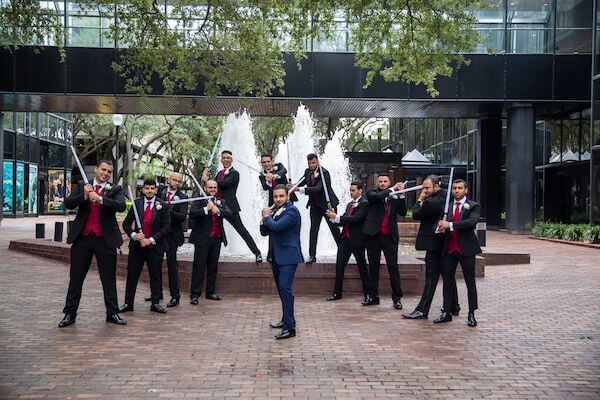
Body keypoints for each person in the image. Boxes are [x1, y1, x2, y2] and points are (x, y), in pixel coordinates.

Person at [58, 160, 127, 328]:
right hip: (83, 238)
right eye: (103, 170)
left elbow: (121, 206)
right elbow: (68, 203)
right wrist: (84, 195)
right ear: (96, 170)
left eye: (109, 172)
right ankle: (70, 314)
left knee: (108, 279)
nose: (105, 173)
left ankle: (112, 313)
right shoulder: (83, 185)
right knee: (76, 278)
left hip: (105, 240)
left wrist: (101, 199)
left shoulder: (115, 189)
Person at [402, 176, 459, 320]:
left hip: (433, 244)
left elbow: (415, 214)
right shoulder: (446, 196)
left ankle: (422, 310)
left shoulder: (430, 202)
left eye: (427, 188)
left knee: (431, 277)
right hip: (445, 243)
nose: (424, 190)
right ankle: (454, 306)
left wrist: (420, 199)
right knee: (448, 276)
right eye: (423, 188)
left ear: (436, 187)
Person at [119, 179, 171, 314]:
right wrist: (133, 235)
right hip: (137, 247)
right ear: (142, 190)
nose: (149, 191)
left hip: (154, 247)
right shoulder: (136, 204)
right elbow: (126, 224)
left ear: (156, 189)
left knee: (155, 276)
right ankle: (128, 303)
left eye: (152, 188)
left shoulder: (163, 205)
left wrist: (151, 240)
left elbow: (166, 227)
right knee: (132, 275)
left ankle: (155, 303)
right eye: (147, 188)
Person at [434, 179, 481, 327]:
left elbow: (471, 223)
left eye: (460, 188)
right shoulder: (447, 206)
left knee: (470, 283)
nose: (456, 190)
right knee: (447, 282)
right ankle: (446, 312)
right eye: (454, 188)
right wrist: (440, 227)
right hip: (449, 249)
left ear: (466, 190)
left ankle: (471, 314)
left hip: (466, 249)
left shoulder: (473, 206)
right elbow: (441, 223)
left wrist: (451, 225)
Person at [202, 150, 262, 262]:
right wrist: (205, 179)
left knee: (241, 230)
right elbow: (210, 188)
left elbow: (224, 184)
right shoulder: (219, 173)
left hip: (230, 208)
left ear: (231, 160)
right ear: (221, 160)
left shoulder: (235, 173)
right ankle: (208, 254)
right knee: (211, 228)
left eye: (228, 158)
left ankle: (257, 252)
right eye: (223, 158)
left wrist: (209, 181)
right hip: (216, 206)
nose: (225, 160)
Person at [260, 184, 304, 340]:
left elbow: (276, 227)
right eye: (275, 196)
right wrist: (264, 218)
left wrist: (267, 217)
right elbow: (265, 231)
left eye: (281, 196)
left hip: (288, 256)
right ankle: (287, 319)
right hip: (277, 256)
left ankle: (290, 328)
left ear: (288, 196)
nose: (278, 199)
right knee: (282, 291)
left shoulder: (292, 211)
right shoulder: (276, 211)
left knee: (286, 291)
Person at [362, 173, 407, 309]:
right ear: (377, 183)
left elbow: (403, 212)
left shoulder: (394, 196)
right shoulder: (372, 193)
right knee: (373, 268)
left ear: (389, 182)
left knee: (393, 267)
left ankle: (397, 298)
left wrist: (401, 195)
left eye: (385, 181)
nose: (382, 183)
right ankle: (373, 296)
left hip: (389, 237)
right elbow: (376, 198)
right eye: (380, 181)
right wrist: (392, 189)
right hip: (373, 236)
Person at [143, 172, 188, 307]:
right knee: (155, 264)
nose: (176, 182)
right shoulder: (160, 191)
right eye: (174, 179)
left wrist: (168, 210)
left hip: (173, 236)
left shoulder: (183, 197)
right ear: (169, 179)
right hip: (158, 234)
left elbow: (182, 216)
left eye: (179, 181)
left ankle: (175, 296)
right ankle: (157, 293)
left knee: (171, 265)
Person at [325, 181, 371, 303]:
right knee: (339, 266)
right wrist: (334, 219)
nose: (351, 192)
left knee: (362, 267)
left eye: (353, 190)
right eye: (350, 190)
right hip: (345, 239)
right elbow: (345, 220)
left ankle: (368, 294)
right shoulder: (350, 205)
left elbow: (356, 219)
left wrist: (338, 217)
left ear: (360, 191)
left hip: (357, 240)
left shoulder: (365, 204)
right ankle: (337, 293)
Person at [289, 153, 339, 264]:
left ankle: (343, 251)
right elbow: (300, 182)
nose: (311, 165)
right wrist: (292, 186)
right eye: (309, 163)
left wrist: (299, 190)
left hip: (327, 205)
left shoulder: (324, 173)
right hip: (315, 205)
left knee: (334, 229)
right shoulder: (307, 172)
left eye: (313, 162)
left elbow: (318, 189)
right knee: (313, 229)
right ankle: (312, 255)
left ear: (317, 162)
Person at [188, 179, 232, 304]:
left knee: (213, 267)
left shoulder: (221, 201)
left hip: (216, 238)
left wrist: (218, 210)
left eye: (214, 187)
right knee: (199, 266)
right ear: (205, 188)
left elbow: (229, 214)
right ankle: (195, 294)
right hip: (202, 238)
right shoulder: (199, 200)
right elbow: (192, 214)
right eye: (210, 187)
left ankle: (210, 292)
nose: (212, 190)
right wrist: (206, 209)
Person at [258, 153, 297, 263]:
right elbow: (265, 188)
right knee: (272, 225)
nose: (266, 164)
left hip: (287, 200)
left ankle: (289, 250)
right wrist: (268, 180)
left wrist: (275, 176)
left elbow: (283, 171)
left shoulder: (279, 166)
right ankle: (271, 253)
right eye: (264, 162)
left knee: (286, 225)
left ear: (272, 161)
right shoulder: (262, 175)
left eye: (268, 161)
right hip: (274, 203)